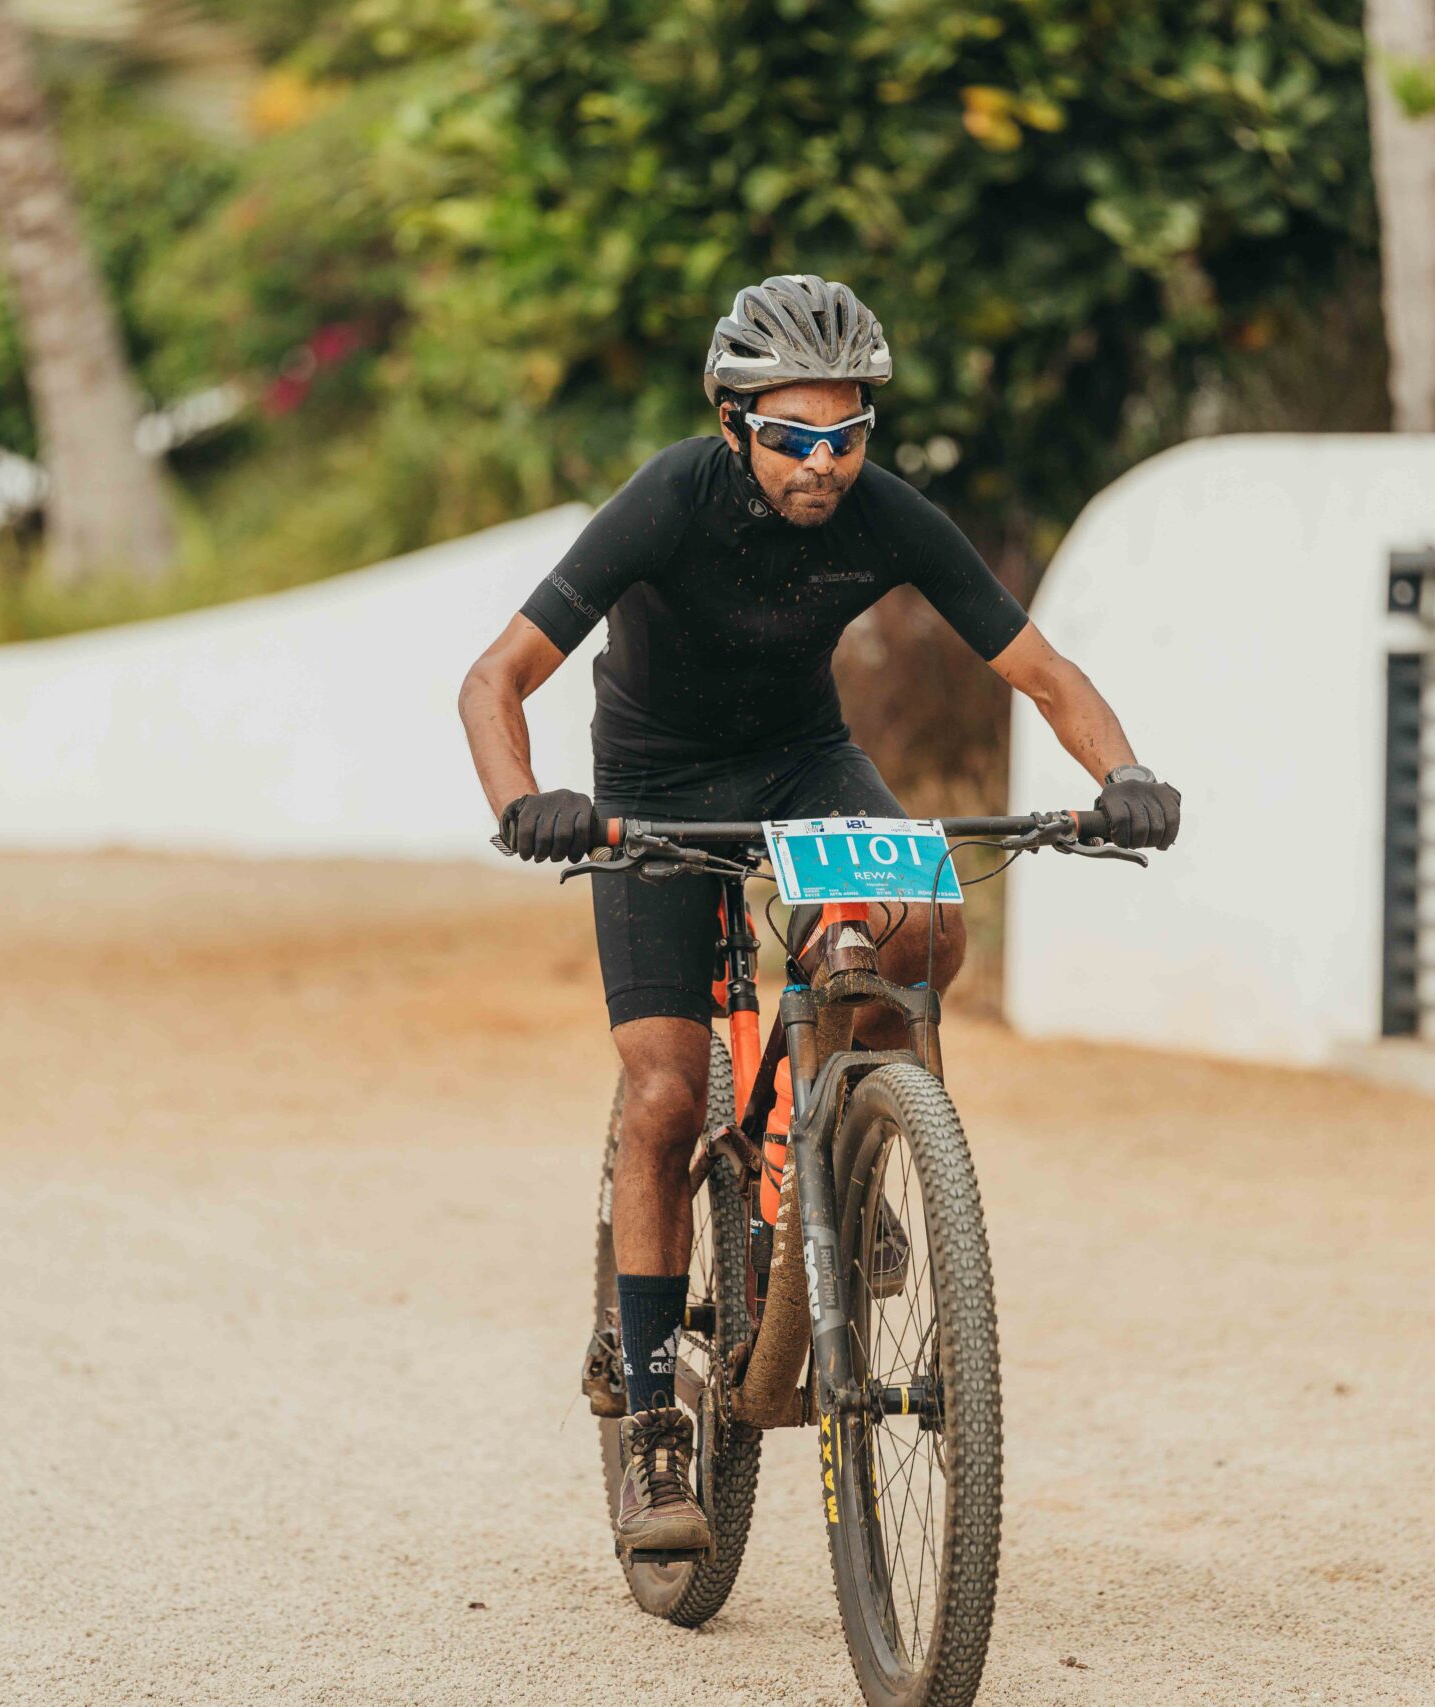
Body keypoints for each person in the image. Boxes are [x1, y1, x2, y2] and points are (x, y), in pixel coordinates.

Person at [456, 274, 1182, 1553]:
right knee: (665, 1088)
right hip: (654, 781)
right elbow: (494, 678)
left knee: (920, 922)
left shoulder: (883, 513)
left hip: (801, 764)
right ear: (733, 425)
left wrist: (1120, 773)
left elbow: (1039, 670)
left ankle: (844, 1147)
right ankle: (653, 1421)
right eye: (792, 436)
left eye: (846, 434)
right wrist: (526, 803)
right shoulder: (670, 498)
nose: (822, 463)